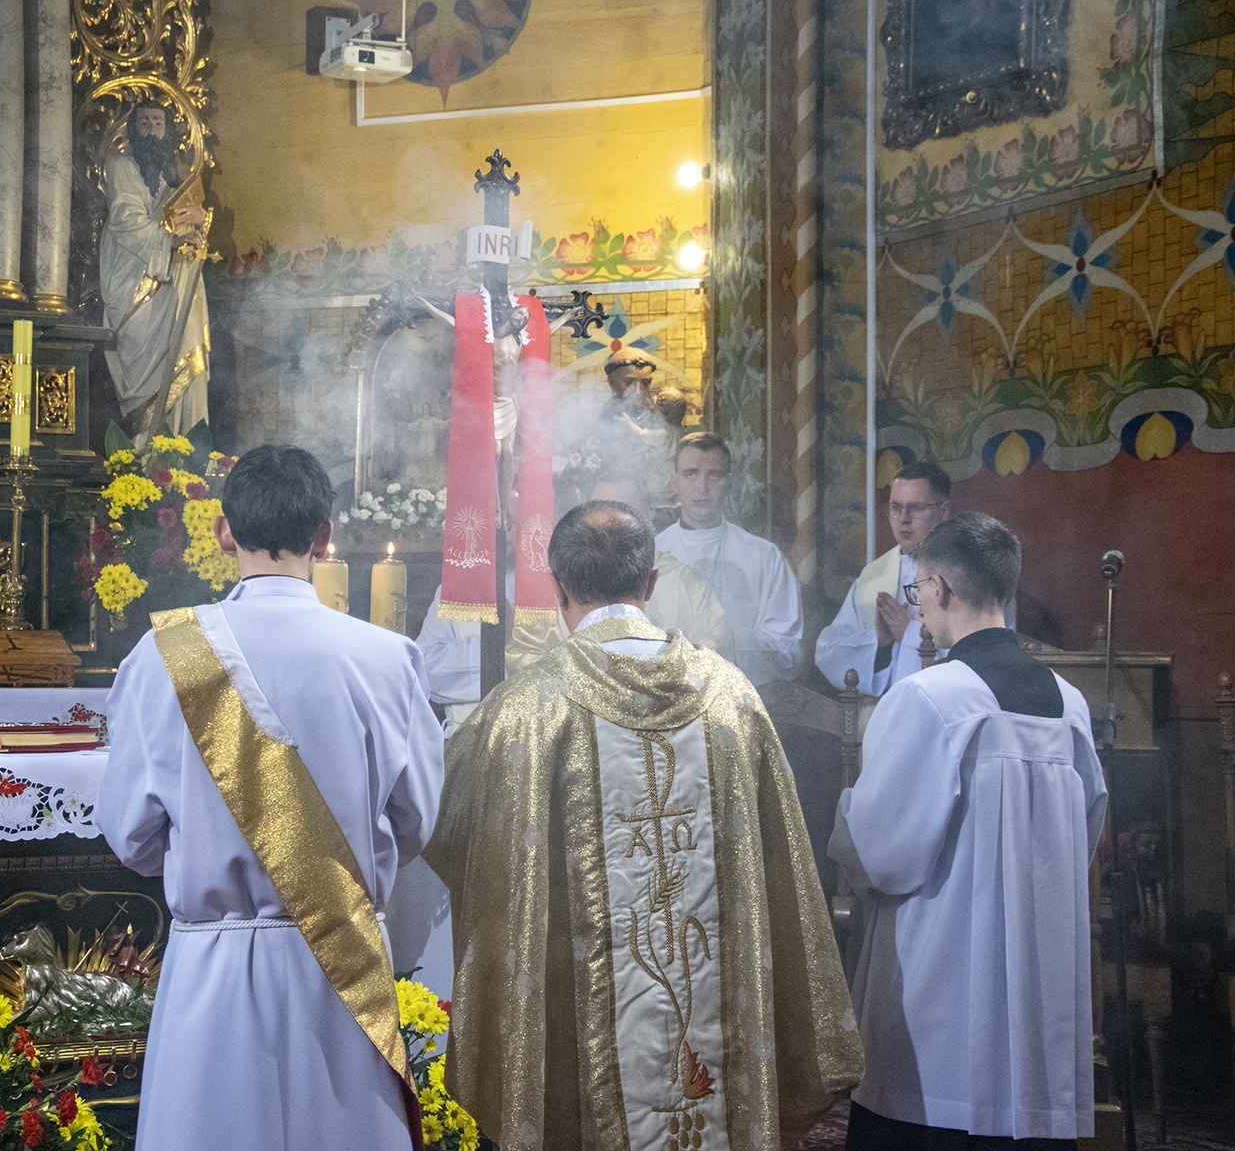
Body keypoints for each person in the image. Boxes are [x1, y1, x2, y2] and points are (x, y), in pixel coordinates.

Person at [427, 501, 860, 1150]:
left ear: (558, 586)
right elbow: (784, 866)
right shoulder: (732, 698)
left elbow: (446, 826)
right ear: (651, 582)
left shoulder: (526, 711)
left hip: (578, 1041)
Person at [98, 444, 443, 1151]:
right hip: (343, 972)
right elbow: (416, 823)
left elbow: (131, 836)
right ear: (324, 534)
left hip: (213, 977)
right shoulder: (386, 659)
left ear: (225, 532)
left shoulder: (165, 656)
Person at [829, 512, 1106, 1149]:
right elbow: (1085, 834)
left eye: (919, 589)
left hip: (942, 986)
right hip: (1041, 981)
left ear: (939, 588)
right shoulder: (1070, 704)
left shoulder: (928, 698)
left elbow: (881, 853)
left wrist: (844, 826)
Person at [415, 469, 649, 734]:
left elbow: (581, 670)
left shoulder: (572, 583)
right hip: (468, 734)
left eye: (518, 520)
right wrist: (498, 641)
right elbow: (426, 673)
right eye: (499, 519)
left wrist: (507, 652)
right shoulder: (456, 589)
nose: (506, 529)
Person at [816, 460, 1015, 696]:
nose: (903, 518)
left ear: (943, 511)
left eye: (916, 508)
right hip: (884, 705)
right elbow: (829, 652)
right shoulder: (873, 576)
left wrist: (908, 634)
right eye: (895, 507)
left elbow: (988, 648)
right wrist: (879, 641)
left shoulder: (973, 566)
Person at [648, 431, 805, 689]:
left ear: (729, 482)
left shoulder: (764, 557)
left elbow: (789, 653)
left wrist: (737, 640)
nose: (702, 488)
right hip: (666, 694)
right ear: (674, 481)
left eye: (714, 475)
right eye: (690, 474)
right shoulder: (652, 554)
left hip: (744, 694)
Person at [100, 101, 212, 434]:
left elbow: (194, 225)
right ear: (133, 130)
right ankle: (145, 445)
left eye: (158, 123)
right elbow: (125, 218)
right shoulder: (120, 165)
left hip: (178, 279)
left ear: (168, 130)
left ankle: (184, 442)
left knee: (186, 344)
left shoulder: (177, 172)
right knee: (143, 369)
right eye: (145, 122)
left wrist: (201, 220)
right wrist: (169, 240)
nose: (151, 129)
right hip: (134, 278)